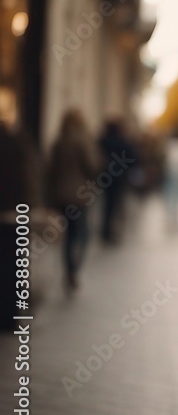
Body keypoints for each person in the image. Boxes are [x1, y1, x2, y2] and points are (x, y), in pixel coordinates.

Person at [45, 109, 100, 292]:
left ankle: (68, 268)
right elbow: (92, 167)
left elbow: (50, 170)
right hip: (79, 196)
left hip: (61, 195)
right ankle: (74, 269)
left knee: (68, 235)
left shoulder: (58, 142)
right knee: (83, 233)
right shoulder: (83, 142)